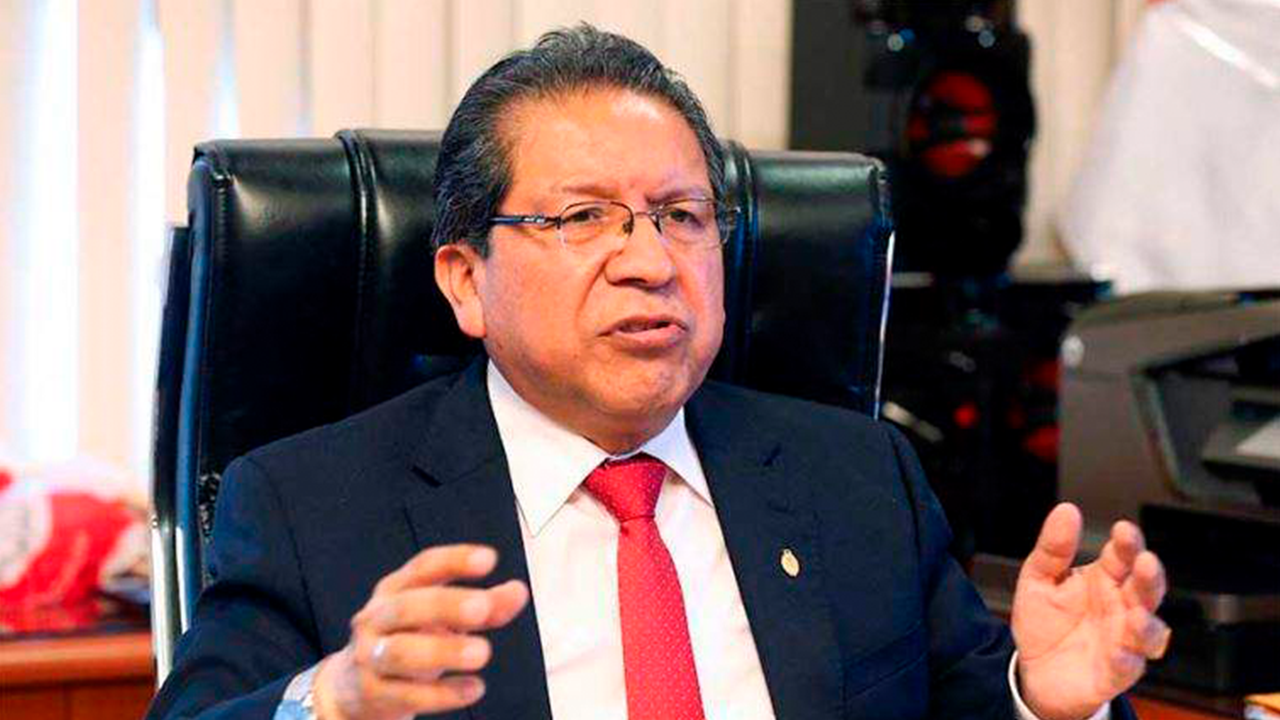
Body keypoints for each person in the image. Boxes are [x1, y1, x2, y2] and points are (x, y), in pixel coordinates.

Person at [146, 25, 1169, 720]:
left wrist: (1043, 699)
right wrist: (330, 700)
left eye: (681, 216)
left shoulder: (857, 479)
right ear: (465, 281)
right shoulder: (313, 505)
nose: (648, 260)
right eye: (583, 216)